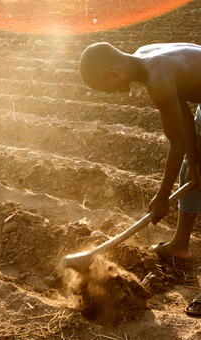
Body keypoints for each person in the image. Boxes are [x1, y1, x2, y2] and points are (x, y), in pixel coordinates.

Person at [79, 42, 201, 316]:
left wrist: (161, 198)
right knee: (188, 172)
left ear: (113, 74)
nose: (112, 93)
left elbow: (177, 142)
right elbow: (184, 120)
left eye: (106, 89)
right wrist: (194, 162)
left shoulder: (157, 79)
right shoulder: (146, 55)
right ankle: (180, 246)